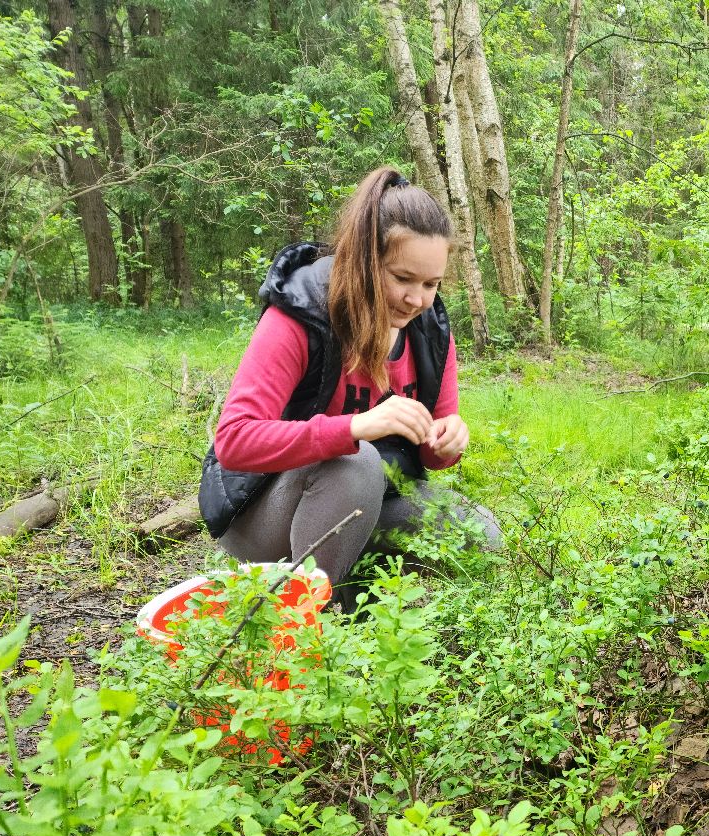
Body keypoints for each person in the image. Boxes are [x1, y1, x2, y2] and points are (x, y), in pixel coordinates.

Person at [197, 166, 500, 604]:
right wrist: (354, 428)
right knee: (357, 461)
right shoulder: (301, 313)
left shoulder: (430, 331)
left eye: (431, 284)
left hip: (364, 502)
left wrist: (448, 439)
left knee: (478, 534)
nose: (417, 300)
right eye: (402, 279)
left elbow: (432, 458)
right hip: (267, 510)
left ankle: (352, 588)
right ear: (364, 261)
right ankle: (310, 617)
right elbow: (235, 440)